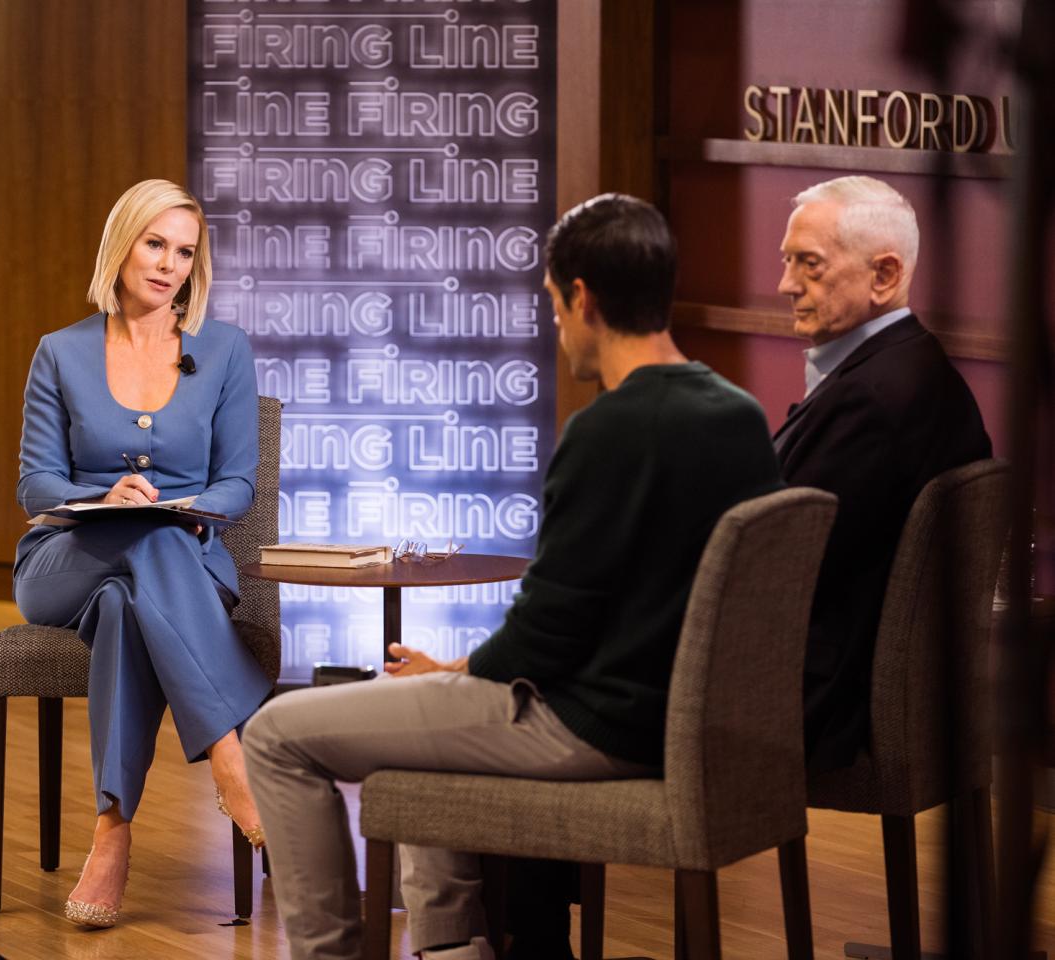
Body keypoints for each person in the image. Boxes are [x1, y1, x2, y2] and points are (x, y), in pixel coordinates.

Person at [242, 194, 784, 960]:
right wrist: (453, 674)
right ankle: (451, 948)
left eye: (553, 304)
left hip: (587, 726)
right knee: (408, 716)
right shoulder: (738, 415)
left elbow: (545, 633)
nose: (556, 325)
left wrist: (463, 674)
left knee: (272, 734)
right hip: (666, 719)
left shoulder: (606, 430)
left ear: (581, 297)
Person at [12, 179, 271, 928]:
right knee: (140, 546)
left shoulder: (223, 350)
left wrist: (185, 508)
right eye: (155, 243)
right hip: (67, 558)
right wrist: (103, 499)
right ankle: (230, 751)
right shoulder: (59, 353)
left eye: (184, 251)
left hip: (183, 558)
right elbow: (36, 483)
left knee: (132, 597)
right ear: (121, 243)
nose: (168, 265)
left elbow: (237, 483)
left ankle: (111, 832)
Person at [772, 175, 992, 773]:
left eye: (809, 265)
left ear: (885, 275)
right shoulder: (917, 368)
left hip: (808, 703)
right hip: (864, 687)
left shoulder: (872, 401)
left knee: (548, 696)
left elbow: (772, 572)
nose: (785, 285)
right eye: (788, 261)